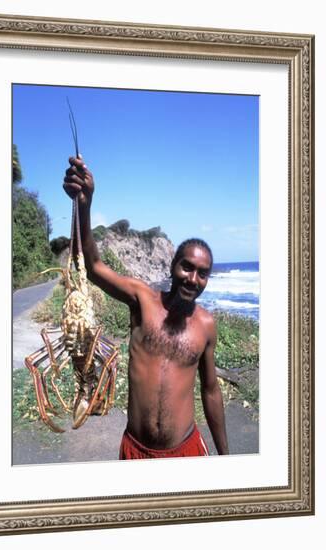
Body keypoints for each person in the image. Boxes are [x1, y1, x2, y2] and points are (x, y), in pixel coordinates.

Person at [63, 155, 229, 459]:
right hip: (136, 450)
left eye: (202, 273)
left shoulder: (206, 324)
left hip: (186, 451)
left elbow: (210, 390)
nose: (192, 279)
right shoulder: (141, 299)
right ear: (172, 266)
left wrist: (225, 457)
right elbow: (94, 265)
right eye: (186, 267)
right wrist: (84, 205)